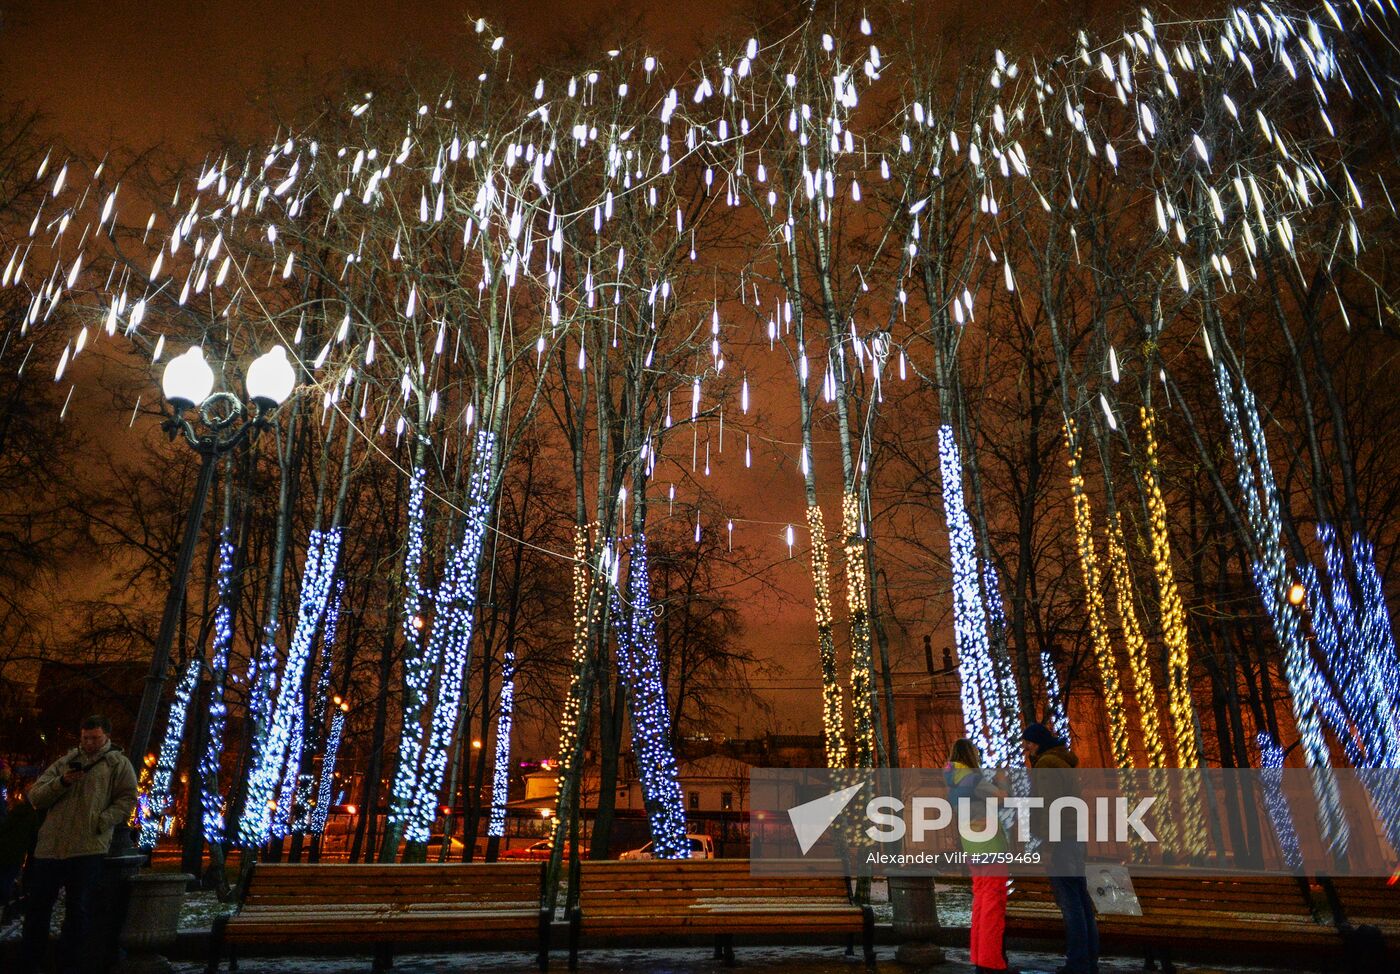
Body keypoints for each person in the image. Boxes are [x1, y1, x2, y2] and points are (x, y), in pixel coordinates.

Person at [20, 715, 138, 974]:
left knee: (78, 909)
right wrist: (62, 782)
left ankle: (69, 963)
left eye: (95, 738)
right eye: (85, 738)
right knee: (38, 907)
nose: (89, 743)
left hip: (87, 847)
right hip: (50, 847)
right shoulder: (65, 762)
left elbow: (128, 798)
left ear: (106, 736)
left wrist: (101, 822)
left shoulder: (116, 763)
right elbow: (36, 797)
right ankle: (31, 962)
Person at [1023, 721, 1098, 974]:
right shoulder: (1065, 763)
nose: (1028, 748)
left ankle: (1078, 962)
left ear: (1039, 743)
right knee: (1081, 900)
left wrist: (1047, 845)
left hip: (1061, 840)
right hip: (1075, 837)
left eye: (1030, 743)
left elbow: (1049, 807)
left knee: (1070, 903)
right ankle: (1089, 958)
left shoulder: (1046, 765)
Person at [945, 738, 1019, 974]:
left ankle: (980, 956)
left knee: (981, 901)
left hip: (972, 846)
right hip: (990, 846)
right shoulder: (974, 779)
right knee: (993, 904)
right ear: (970, 755)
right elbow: (1004, 798)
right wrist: (1002, 780)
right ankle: (991, 962)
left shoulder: (954, 781)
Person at [0, 777, 40, 923]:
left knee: (5, 880)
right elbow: (33, 840)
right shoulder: (33, 815)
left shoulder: (16, 810)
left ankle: (6, 910)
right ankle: (7, 911)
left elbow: (4, 828)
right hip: (15, 855)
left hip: (5, 851)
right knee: (7, 881)